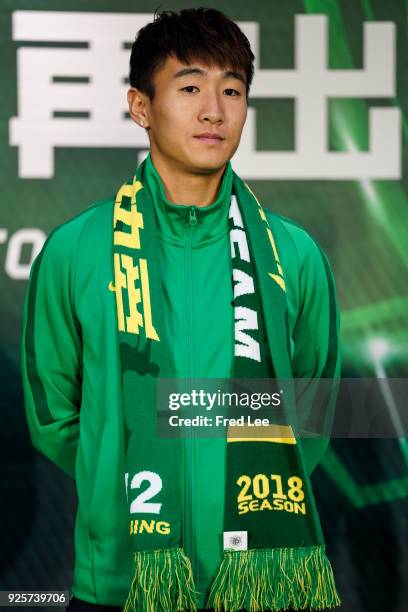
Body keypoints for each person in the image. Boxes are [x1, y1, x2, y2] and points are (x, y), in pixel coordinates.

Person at [21, 8, 342, 612]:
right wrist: (122, 473)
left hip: (261, 582)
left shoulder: (292, 255)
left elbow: (314, 412)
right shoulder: (75, 249)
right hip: (123, 581)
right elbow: (54, 416)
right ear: (141, 106)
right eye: (190, 87)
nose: (214, 110)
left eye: (232, 90)